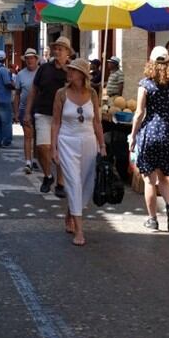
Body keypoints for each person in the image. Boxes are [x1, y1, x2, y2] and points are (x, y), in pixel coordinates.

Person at [51, 58, 106, 246]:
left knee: (85, 184)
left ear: (82, 75)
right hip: (67, 142)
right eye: (69, 70)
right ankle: (80, 231)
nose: (69, 73)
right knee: (73, 182)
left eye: (73, 70)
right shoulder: (61, 94)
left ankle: (70, 214)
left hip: (89, 142)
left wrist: (103, 146)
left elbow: (97, 122)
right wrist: (54, 147)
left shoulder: (92, 93)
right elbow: (56, 122)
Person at [129, 46, 169, 232]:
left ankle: (152, 219)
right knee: (164, 178)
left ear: (151, 62)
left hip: (150, 134)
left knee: (150, 180)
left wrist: (133, 136)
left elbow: (139, 113)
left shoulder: (145, 84)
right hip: (168, 134)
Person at [26, 37, 74, 197]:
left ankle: (60, 183)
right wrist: (27, 111)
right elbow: (34, 89)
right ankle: (48, 175)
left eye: (61, 49)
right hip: (43, 111)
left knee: (62, 149)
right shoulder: (44, 68)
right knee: (42, 147)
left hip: (64, 115)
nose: (58, 51)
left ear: (68, 53)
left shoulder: (72, 70)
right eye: (56, 48)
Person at [14, 48, 39, 173]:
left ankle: (34, 159)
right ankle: (28, 161)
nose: (29, 60)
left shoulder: (41, 72)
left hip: (40, 108)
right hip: (24, 109)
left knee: (38, 136)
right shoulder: (20, 75)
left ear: (36, 59)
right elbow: (17, 93)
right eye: (27, 58)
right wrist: (16, 111)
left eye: (32, 58)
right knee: (28, 136)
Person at [0, 50, 15, 148]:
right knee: (6, 121)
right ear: (4, 59)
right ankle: (6, 141)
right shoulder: (3, 70)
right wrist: (15, 86)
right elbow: (7, 83)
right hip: (4, 98)